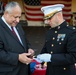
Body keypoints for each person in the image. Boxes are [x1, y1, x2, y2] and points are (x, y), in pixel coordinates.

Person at [36, 4, 76, 75]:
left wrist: (51, 57)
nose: (48, 21)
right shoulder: (50, 32)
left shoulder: (71, 32)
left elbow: (73, 57)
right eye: (46, 19)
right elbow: (46, 48)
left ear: (59, 15)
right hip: (50, 71)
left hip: (65, 72)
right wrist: (39, 59)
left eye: (49, 18)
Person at [0, 1, 34, 75]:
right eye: (15, 17)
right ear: (6, 14)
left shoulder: (16, 25)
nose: (18, 20)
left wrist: (29, 48)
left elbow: (24, 40)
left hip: (24, 70)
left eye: (19, 17)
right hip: (9, 72)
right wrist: (17, 57)